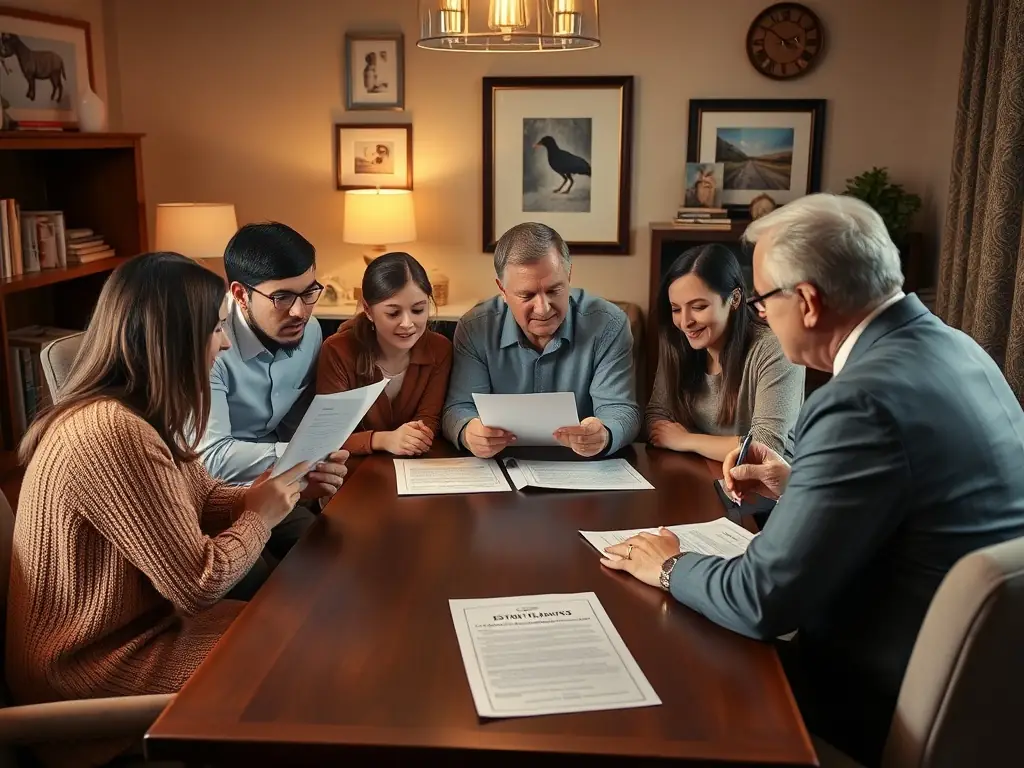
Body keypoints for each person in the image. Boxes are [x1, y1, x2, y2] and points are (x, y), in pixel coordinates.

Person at [598, 194, 1024, 766]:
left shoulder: (858, 400)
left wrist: (670, 564)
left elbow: (762, 601)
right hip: (990, 684)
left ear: (807, 301)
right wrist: (798, 485)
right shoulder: (960, 348)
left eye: (764, 300)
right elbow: (918, 507)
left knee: (657, 664)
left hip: (880, 690)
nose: (761, 315)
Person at [6, 253, 313, 768]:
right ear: (173, 339)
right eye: (215, 329)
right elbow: (198, 584)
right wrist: (261, 515)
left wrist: (273, 490)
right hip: (92, 672)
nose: (222, 343)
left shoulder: (137, 414)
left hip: (137, 636)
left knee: (310, 626)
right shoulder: (111, 433)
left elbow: (199, 499)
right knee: (306, 660)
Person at [197, 222, 348, 561]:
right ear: (239, 294)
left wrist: (317, 466)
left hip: (277, 487)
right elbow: (213, 458)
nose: (300, 312)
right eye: (282, 297)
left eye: (309, 293)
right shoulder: (209, 345)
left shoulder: (309, 332)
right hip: (211, 496)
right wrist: (300, 457)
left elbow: (296, 425)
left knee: (334, 551)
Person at [442, 222, 640, 458]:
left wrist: (604, 434)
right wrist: (468, 431)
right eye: (527, 295)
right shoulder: (475, 327)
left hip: (582, 468)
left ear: (568, 275)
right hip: (501, 468)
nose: (543, 308)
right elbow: (459, 407)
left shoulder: (609, 323)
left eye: (554, 290)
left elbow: (621, 409)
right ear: (502, 290)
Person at [646, 243, 804, 461]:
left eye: (699, 307)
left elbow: (765, 448)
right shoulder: (678, 341)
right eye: (676, 309)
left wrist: (685, 440)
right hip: (700, 471)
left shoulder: (774, 348)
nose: (685, 322)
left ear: (735, 299)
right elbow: (657, 419)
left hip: (766, 484)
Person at [315, 252, 452, 456]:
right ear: (368, 311)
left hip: (414, 466)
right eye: (393, 313)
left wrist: (414, 438)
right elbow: (326, 437)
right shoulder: (337, 350)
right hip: (350, 470)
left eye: (418, 310)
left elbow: (428, 421)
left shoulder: (440, 349)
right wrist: (382, 440)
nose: (407, 324)